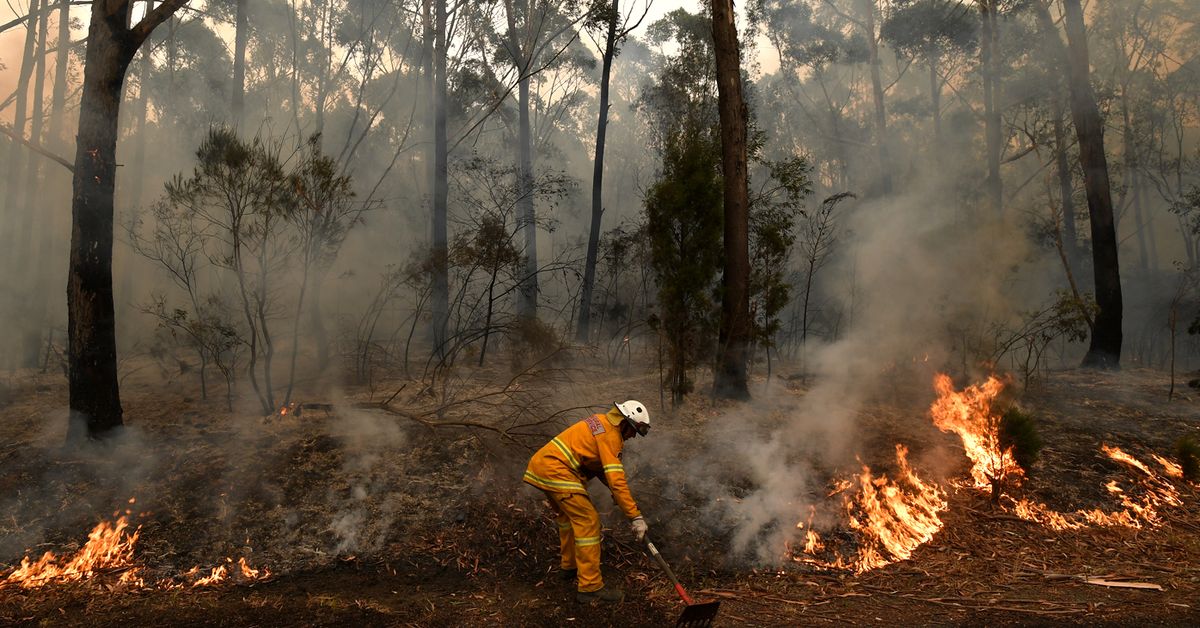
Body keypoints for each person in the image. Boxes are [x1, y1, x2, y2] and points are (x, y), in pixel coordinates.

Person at [522, 400, 651, 603]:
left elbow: (597, 466)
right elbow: (616, 480)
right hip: (558, 470)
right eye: (633, 430)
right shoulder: (611, 436)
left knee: (567, 517)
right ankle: (590, 588)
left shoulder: (600, 422)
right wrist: (635, 516)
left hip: (543, 465)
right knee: (588, 521)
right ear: (624, 422)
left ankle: (569, 567)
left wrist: (616, 494)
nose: (633, 435)